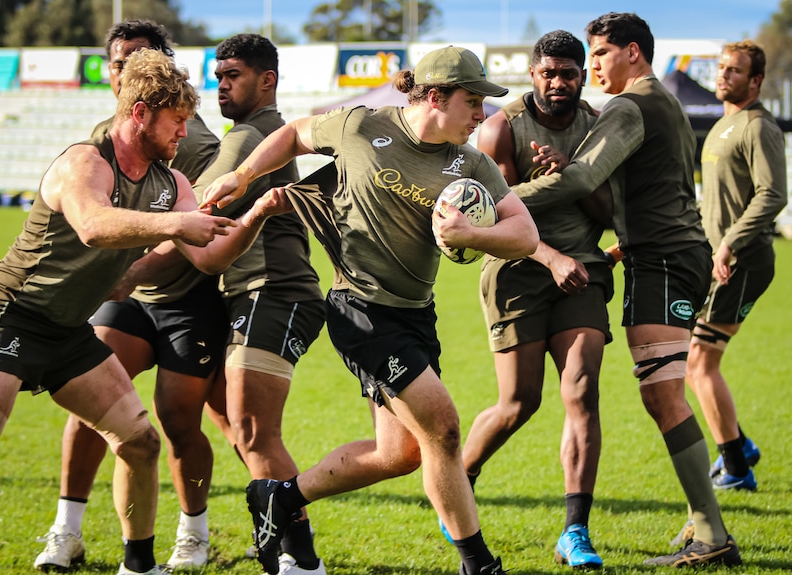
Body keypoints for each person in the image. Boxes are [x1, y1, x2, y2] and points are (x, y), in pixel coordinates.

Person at [201, 46, 539, 575]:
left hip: (416, 314)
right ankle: (479, 564)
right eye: (472, 101)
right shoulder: (360, 127)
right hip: (359, 308)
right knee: (445, 429)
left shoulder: (469, 163)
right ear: (434, 96)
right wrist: (242, 176)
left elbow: (524, 232)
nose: (482, 115)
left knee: (400, 453)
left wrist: (474, 234)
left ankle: (281, 497)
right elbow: (292, 134)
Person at [0, 48, 276, 575]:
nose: (183, 133)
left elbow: (209, 252)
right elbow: (94, 225)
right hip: (15, 315)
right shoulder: (84, 161)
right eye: (176, 121)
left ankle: (138, 565)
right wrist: (174, 226)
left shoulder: (170, 183)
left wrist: (260, 212)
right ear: (140, 113)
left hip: (70, 335)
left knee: (139, 441)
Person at [507, 13, 741, 567]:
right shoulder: (663, 103)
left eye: (601, 55)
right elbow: (637, 184)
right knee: (664, 390)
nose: (593, 68)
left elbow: (584, 180)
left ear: (633, 52)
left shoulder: (629, 104)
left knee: (663, 394)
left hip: (663, 261)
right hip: (668, 255)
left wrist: (496, 204)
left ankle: (711, 532)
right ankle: (704, 518)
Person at [32, 20, 228, 571]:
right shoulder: (103, 135)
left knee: (180, 423)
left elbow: (192, 228)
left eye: (139, 60)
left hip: (186, 296)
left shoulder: (187, 136)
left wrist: (129, 270)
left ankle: (193, 533)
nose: (127, 71)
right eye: (119, 62)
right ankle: (65, 531)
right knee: (93, 407)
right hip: (130, 297)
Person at [456, 30, 612, 570]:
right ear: (532, 73)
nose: (558, 82)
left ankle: (575, 530)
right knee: (519, 403)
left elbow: (610, 211)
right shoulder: (501, 129)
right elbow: (496, 216)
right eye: (548, 72)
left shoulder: (597, 128)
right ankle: (460, 479)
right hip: (518, 273)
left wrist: (572, 174)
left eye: (568, 73)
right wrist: (550, 257)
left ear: (583, 73)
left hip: (583, 273)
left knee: (583, 391)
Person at [191, 33, 328, 575]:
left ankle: (302, 558)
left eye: (234, 76)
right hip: (252, 294)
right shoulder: (254, 134)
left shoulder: (252, 135)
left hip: (275, 293)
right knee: (232, 422)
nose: (221, 86)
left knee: (252, 431)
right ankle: (275, 537)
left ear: (266, 80)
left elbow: (195, 210)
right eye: (218, 77)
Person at [685, 40, 786, 492]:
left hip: (744, 261)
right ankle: (739, 447)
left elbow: (772, 194)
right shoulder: (725, 124)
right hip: (718, 260)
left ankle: (736, 468)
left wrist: (728, 244)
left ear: (756, 81)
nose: (723, 76)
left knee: (700, 363)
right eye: (721, 68)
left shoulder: (759, 128)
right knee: (695, 362)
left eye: (735, 70)